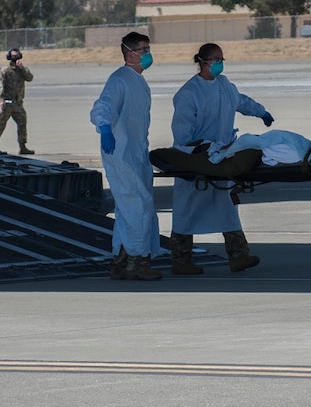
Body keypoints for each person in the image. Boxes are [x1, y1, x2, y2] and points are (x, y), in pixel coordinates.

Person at [169, 43, 274, 275]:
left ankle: (239, 256)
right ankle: (181, 260)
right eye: (215, 59)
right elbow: (183, 135)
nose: (219, 63)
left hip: (223, 156)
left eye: (221, 59)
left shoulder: (225, 86)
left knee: (227, 207)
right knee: (187, 210)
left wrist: (261, 111)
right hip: (195, 159)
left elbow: (241, 102)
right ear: (203, 61)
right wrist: (204, 149)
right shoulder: (188, 94)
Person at [91, 31, 161, 280]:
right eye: (143, 50)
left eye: (148, 49)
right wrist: (105, 128)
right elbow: (103, 106)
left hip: (135, 154)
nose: (148, 54)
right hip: (120, 154)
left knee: (128, 209)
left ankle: (120, 261)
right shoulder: (120, 79)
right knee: (137, 207)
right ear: (129, 53)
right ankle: (138, 262)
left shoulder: (138, 80)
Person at [0, 48, 34, 155]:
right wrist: (1, 100)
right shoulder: (5, 70)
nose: (15, 58)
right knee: (0, 124)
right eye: (13, 56)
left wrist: (22, 68)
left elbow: (30, 78)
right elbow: (0, 85)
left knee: (22, 123)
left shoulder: (21, 70)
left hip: (18, 103)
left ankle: (22, 146)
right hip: (7, 103)